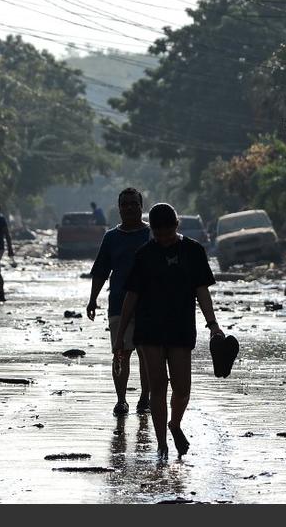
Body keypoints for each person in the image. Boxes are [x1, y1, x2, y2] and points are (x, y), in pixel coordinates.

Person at [116, 203, 223, 460]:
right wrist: (120, 336)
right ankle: (162, 444)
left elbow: (202, 291)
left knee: (182, 388)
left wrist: (213, 325)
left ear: (177, 225)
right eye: (158, 234)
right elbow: (131, 296)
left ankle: (174, 424)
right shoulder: (144, 254)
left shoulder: (193, 251)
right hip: (149, 329)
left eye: (168, 233)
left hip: (181, 327)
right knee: (158, 387)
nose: (164, 239)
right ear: (151, 230)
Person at [86, 188, 151, 417]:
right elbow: (101, 271)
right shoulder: (111, 237)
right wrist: (92, 299)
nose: (129, 208)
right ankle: (121, 400)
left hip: (148, 305)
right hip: (118, 304)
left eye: (134, 204)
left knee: (146, 354)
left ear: (141, 207)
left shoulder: (152, 235)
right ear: (119, 208)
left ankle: (145, 397)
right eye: (125, 204)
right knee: (120, 352)